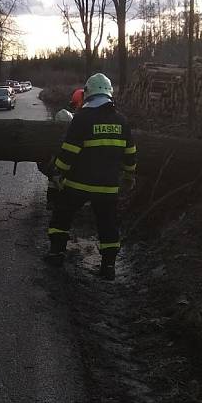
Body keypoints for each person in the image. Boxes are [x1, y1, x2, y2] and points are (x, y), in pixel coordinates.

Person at [45, 73, 137, 280]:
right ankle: (108, 267)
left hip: (78, 185)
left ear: (88, 93)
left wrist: (57, 172)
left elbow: (68, 152)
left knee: (62, 215)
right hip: (108, 188)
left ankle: (56, 253)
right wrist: (129, 176)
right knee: (108, 224)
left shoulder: (82, 118)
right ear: (109, 94)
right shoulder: (122, 121)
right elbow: (130, 154)